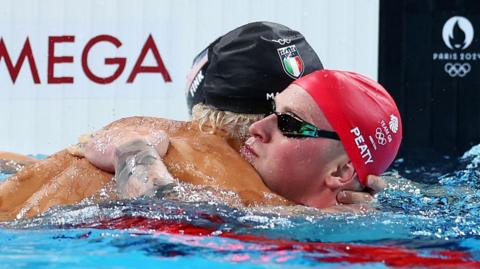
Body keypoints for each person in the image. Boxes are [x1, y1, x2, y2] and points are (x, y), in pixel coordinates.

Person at [0, 22, 386, 220]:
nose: (260, 130)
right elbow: (167, 212)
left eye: (290, 122)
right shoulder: (240, 189)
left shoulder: (148, 126)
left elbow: (41, 175)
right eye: (283, 118)